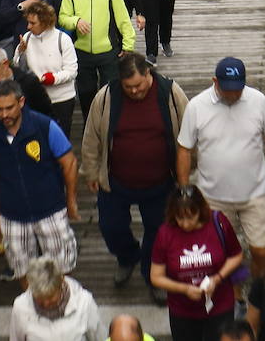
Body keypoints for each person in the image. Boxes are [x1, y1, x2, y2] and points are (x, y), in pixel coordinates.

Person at [81, 55, 191, 304]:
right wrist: (90, 170)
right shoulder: (106, 96)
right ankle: (128, 256)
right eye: (128, 87)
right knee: (110, 227)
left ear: (148, 74)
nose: (134, 91)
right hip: (115, 181)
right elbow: (92, 137)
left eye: (139, 86)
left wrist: (187, 173)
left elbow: (190, 131)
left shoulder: (171, 93)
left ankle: (153, 275)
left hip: (162, 182)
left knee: (158, 231)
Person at [176, 57, 265, 282]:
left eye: (238, 89)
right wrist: (184, 189)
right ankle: (234, 298)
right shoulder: (197, 106)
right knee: (221, 254)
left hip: (254, 194)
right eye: (228, 90)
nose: (234, 95)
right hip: (213, 198)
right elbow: (184, 149)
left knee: (261, 252)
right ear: (215, 81)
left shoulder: (258, 100)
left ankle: (258, 294)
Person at [0, 80, 80, 284]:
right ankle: (33, 306)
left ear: (21, 102)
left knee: (63, 266)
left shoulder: (45, 126)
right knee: (21, 269)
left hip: (51, 211)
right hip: (12, 216)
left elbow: (69, 162)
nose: (4, 115)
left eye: (9, 108)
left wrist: (70, 200)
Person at [150, 184, 243, 341]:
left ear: (201, 210)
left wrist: (217, 278)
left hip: (220, 305)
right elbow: (156, 276)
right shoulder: (165, 233)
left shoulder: (218, 222)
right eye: (180, 218)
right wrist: (185, 289)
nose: (186, 224)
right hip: (182, 311)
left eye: (191, 217)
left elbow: (236, 255)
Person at [58, 0, 136, 126]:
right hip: (82, 52)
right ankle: (90, 128)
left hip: (108, 51)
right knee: (86, 95)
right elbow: (63, 17)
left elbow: (122, 17)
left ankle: (111, 127)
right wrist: (76, 21)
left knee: (111, 93)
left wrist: (128, 45)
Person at [16, 2, 79, 140]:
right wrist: (20, 52)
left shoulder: (63, 39)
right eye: (28, 22)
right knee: (36, 139)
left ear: (45, 22)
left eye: (33, 23)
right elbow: (17, 67)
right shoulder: (26, 38)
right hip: (36, 99)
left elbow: (72, 71)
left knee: (60, 139)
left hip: (61, 99)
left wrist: (53, 78)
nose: (28, 27)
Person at [9, 256, 103, 341]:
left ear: (61, 285)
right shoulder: (20, 306)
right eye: (39, 298)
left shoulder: (85, 302)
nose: (45, 303)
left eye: (50, 297)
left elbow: (100, 338)